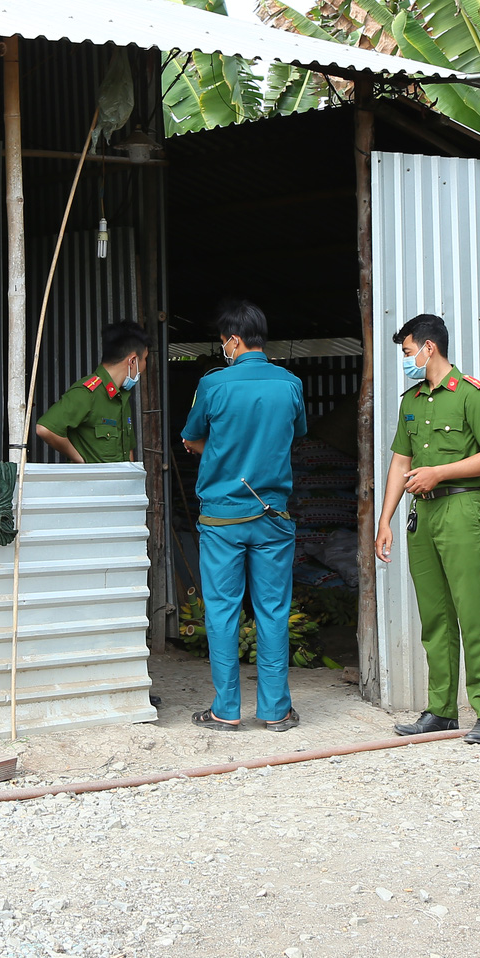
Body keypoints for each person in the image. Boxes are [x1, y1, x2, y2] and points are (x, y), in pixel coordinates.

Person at [374, 313, 480, 744]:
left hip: (459, 510)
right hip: (423, 516)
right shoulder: (411, 401)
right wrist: (385, 520)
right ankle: (441, 711)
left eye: (407, 351)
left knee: (471, 612)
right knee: (434, 618)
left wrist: (440, 473)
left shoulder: (472, 395)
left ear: (428, 347)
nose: (406, 359)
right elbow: (401, 461)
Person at [179, 300, 308, 732]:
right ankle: (275, 712)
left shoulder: (213, 386)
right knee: (272, 611)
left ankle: (226, 710)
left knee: (222, 612)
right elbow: (295, 435)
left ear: (233, 340)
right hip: (273, 516)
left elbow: (192, 439)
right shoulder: (290, 384)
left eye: (223, 343)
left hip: (222, 519)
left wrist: (217, 452)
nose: (224, 350)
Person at [36, 319, 148, 463]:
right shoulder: (88, 393)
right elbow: (45, 429)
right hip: (92, 485)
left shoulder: (122, 396)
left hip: (119, 485)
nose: (145, 366)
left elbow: (128, 449)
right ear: (132, 361)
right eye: (144, 359)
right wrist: (80, 459)